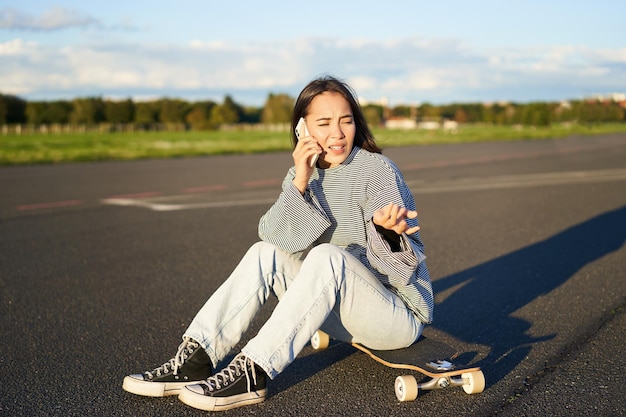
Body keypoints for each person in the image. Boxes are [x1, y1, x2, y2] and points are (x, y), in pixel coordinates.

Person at [122, 75, 434, 412]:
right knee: (264, 253)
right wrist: (300, 180)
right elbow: (277, 240)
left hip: (396, 317)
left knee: (328, 256)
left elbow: (404, 272)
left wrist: (388, 233)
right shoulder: (304, 174)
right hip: (341, 311)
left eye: (346, 121)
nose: (337, 133)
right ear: (303, 128)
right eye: (324, 123)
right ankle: (195, 359)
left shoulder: (377, 172)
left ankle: (253, 371)